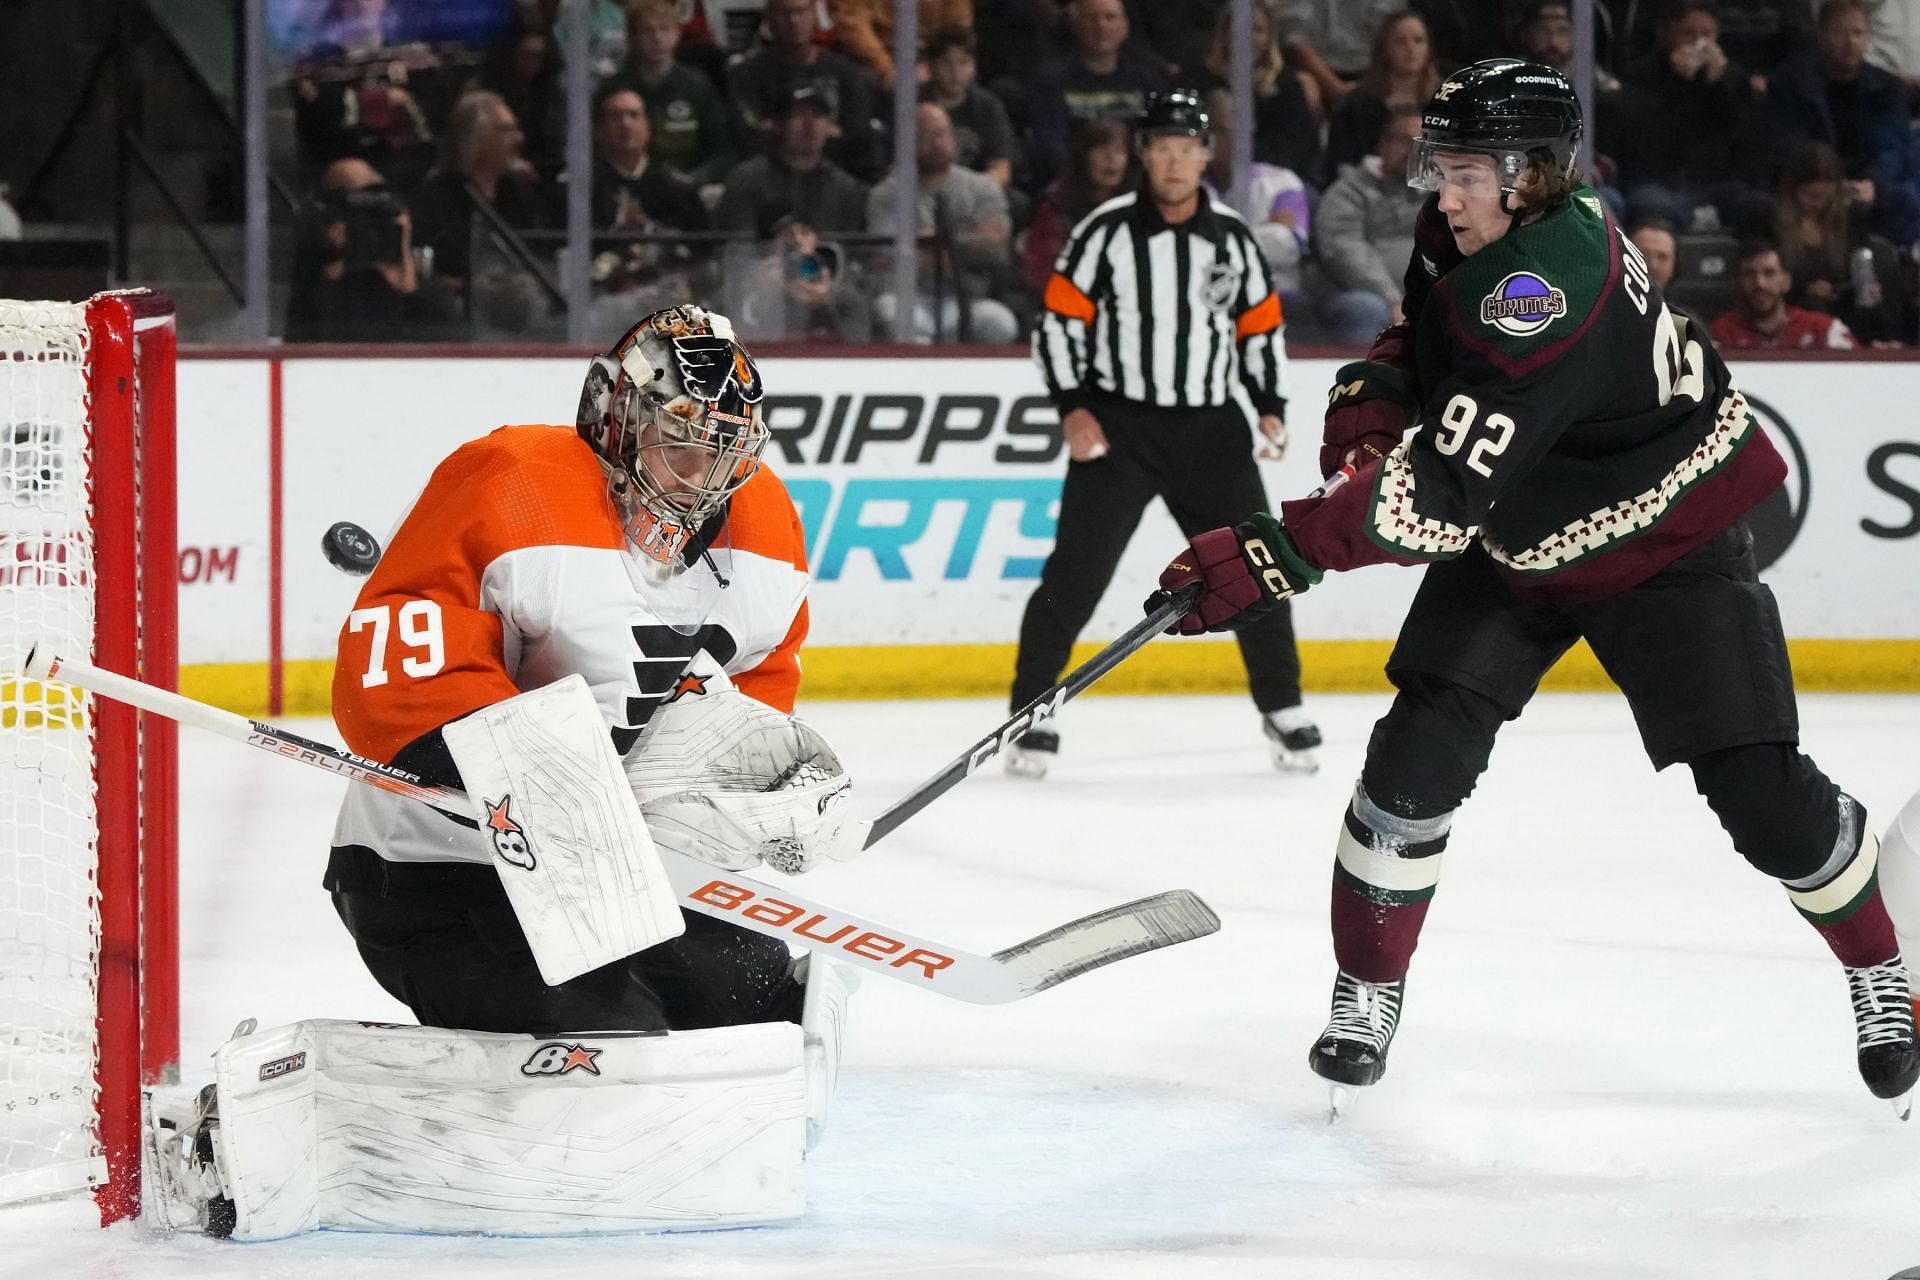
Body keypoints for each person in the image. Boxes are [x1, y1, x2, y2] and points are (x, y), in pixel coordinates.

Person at [1148, 60, 1918, 1115]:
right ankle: (1367, 989)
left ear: (1531, 173)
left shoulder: (1542, 289)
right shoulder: (1481, 227)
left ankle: (1881, 967)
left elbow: (1445, 492)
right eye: (1440, 165)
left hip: (1663, 534)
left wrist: (1277, 552)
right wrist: (1378, 390)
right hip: (1524, 528)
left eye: (1464, 170)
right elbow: (1423, 331)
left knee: (1765, 801)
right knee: (1411, 765)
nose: (1443, 191)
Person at [1016, 89, 1318, 779]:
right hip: (1122, 427)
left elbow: (1259, 328)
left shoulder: (1235, 237)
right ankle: (1031, 710)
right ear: (1143, 155)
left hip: (1213, 431)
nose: (1176, 162)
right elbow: (1059, 325)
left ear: (1205, 155)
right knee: (1074, 576)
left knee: (1258, 568)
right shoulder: (1105, 232)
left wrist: (1269, 402)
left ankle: (1284, 704)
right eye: (1163, 148)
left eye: (1188, 149)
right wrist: (1073, 407)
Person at [1609, 1, 1771, 237]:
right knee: (1651, 205)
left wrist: (1722, 85)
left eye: (1706, 34)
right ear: (1668, 36)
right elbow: (1640, 142)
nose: (1698, 42)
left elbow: (1749, 138)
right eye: (1688, 33)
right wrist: (1676, 83)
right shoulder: (1641, 77)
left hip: (1720, 183)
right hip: (1662, 182)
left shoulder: (1733, 78)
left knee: (1761, 207)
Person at [865, 102, 1023, 343]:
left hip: (968, 299)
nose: (938, 143)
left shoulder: (982, 187)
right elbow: (885, 259)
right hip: (908, 298)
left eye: (943, 133)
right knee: (892, 315)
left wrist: (938, 244)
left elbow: (996, 249)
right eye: (926, 136)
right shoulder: (886, 194)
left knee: (1000, 323)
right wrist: (966, 249)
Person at [1769, 0, 1920, 246]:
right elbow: (1789, 144)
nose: (1850, 42)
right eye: (1839, 33)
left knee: (1908, 200)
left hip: (1866, 186)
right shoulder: (1789, 82)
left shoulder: (1887, 87)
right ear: (1821, 37)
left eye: (1858, 33)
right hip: (1810, 185)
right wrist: (1825, 183)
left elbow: (1892, 148)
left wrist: (1873, 184)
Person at [286, 157, 461, 342]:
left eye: (373, 215)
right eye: (353, 216)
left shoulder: (421, 288)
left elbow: (451, 347)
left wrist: (408, 284)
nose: (365, 227)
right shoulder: (317, 271)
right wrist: (330, 276)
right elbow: (299, 343)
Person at [584, 85, 710, 319]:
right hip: (602, 303)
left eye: (634, 116)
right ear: (598, 128)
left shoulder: (678, 189)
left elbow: (703, 255)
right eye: (616, 116)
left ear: (647, 127)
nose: (626, 124)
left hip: (670, 305)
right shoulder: (583, 190)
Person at [727, 0, 884, 182]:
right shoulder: (746, 75)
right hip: (770, 181)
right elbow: (748, 138)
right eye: (784, 13)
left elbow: (859, 138)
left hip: (839, 179)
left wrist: (781, 132)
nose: (793, 21)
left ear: (814, 16)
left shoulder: (845, 72)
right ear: (769, 20)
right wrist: (825, 132)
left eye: (800, 12)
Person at [1022, 0, 1172, 190]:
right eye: (1092, 18)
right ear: (1075, 25)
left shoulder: (1147, 80)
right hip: (1074, 184)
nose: (1101, 25)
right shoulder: (1051, 81)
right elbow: (1050, 145)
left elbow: (1159, 135)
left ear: (1124, 27)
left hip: (1136, 181)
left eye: (1110, 18)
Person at [1771, 139, 1907, 344]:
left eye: (1826, 197)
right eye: (1811, 196)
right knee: (1814, 307)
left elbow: (1860, 265)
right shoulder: (1775, 227)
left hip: (1846, 309)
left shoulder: (1848, 223)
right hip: (1798, 308)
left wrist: (1869, 286)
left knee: (1877, 307)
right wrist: (1806, 289)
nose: (1819, 204)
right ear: (1793, 190)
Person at [1310, 107, 1424, 345]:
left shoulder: (1438, 194)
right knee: (1365, 307)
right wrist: (1393, 300)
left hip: (1417, 297)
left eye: (1422, 144)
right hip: (1356, 293)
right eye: (1405, 141)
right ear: (1383, 143)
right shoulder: (1349, 191)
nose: (1412, 151)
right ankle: (1361, 380)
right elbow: (1344, 251)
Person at [1184, 0, 1323, 186]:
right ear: (1224, 32)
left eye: (1258, 30)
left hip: (1276, 179)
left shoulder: (1286, 85)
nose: (1248, 37)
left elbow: (1298, 148)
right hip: (1207, 176)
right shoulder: (1197, 79)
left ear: (1269, 38)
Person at [715, 84, 871, 239]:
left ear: (831, 128)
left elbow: (855, 253)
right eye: (798, 114)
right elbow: (737, 249)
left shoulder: (846, 188)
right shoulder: (747, 178)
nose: (810, 125)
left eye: (818, 116)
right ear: (777, 125)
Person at [614, 0, 739, 189]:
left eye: (664, 29)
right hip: (627, 187)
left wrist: (698, 178)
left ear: (677, 34)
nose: (656, 38)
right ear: (630, 37)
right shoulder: (615, 89)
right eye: (647, 31)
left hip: (687, 188)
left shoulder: (697, 86)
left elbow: (722, 152)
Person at [1320, 9, 1442, 187]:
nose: (1411, 48)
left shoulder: (1448, 101)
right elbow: (1340, 163)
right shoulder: (1356, 104)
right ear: (1384, 48)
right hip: (1367, 189)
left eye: (1418, 41)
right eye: (1400, 42)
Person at [1021, 117, 1133, 297]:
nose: (1111, 159)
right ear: (1084, 157)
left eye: (1119, 151)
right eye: (1101, 150)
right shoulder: (1057, 205)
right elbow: (1043, 269)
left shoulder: (1142, 206)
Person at [1710, 238, 1862, 349]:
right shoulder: (1720, 333)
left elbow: (1859, 373)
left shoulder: (1822, 329)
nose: (1760, 284)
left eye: (1769, 273)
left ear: (1786, 281)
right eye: (1749, 274)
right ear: (1738, 281)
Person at [921, 26, 1019, 191]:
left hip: (973, 191)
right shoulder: (913, 103)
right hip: (923, 188)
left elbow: (1001, 171)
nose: (955, 72)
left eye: (963, 62)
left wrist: (964, 190)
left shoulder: (989, 106)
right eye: (946, 62)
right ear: (930, 66)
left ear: (974, 66)